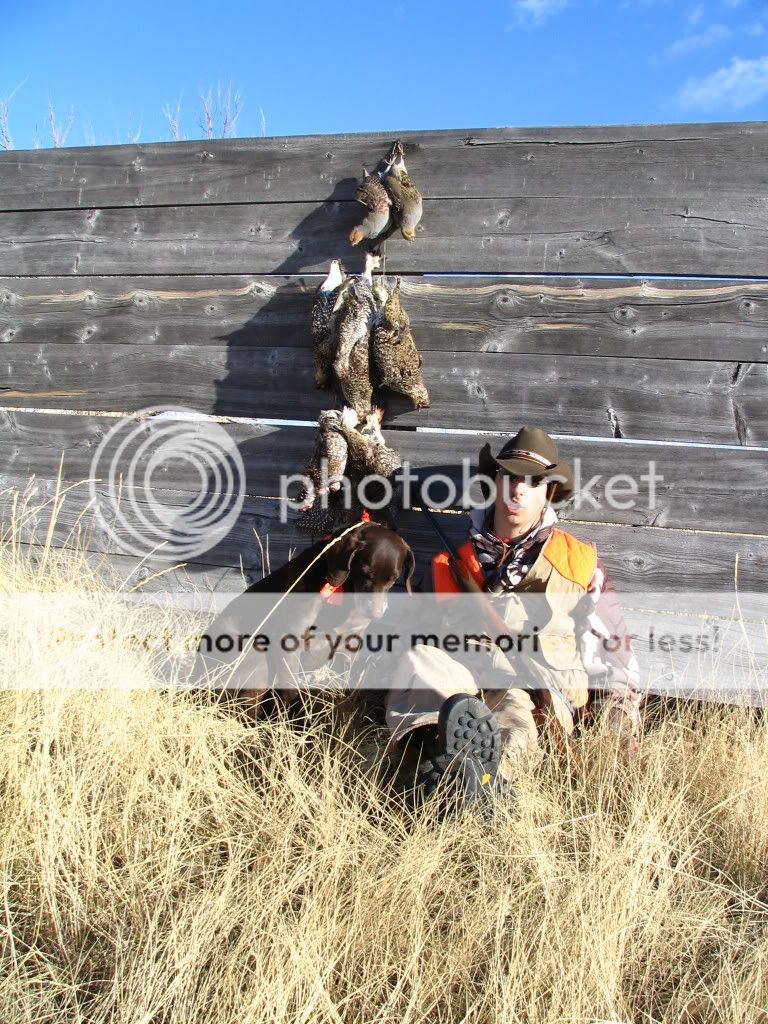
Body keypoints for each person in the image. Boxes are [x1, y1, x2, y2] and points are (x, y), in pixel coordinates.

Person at [384, 426, 643, 797]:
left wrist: (619, 737)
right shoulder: (447, 565)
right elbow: (409, 637)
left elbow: (615, 660)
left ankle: (483, 787)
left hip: (532, 692)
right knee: (421, 662)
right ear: (495, 481)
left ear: (548, 492)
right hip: (460, 686)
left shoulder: (579, 564)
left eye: (533, 481)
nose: (518, 490)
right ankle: (430, 768)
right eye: (509, 476)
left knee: (513, 720)